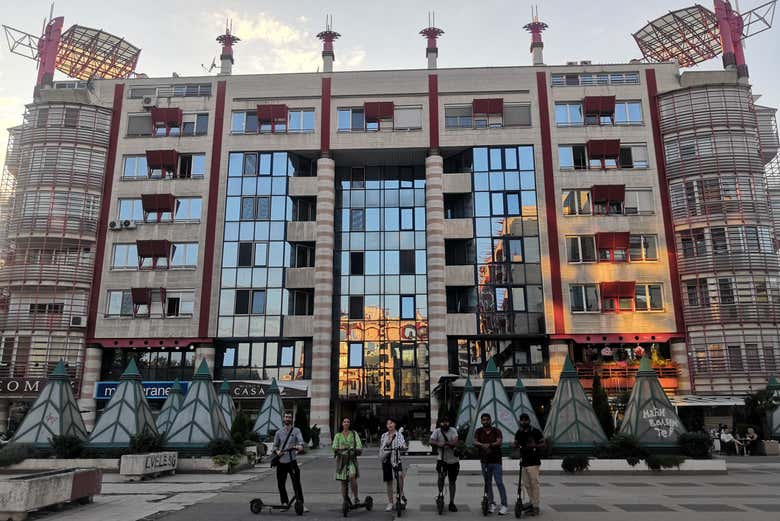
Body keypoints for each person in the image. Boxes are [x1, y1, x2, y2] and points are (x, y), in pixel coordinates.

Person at [473, 413, 508, 515]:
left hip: (496, 461)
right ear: (481, 421)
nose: (485, 421)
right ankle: (491, 503)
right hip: (484, 461)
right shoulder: (478, 431)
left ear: (490, 420)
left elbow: (499, 441)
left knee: (499, 482)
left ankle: (504, 505)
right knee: (487, 484)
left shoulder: (496, 431)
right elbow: (475, 442)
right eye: (483, 420)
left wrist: (490, 445)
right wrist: (483, 445)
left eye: (487, 420)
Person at [273, 411, 307, 510]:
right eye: (286, 417)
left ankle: (300, 504)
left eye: (289, 417)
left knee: (296, 483)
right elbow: (275, 446)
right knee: (281, 484)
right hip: (281, 462)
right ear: (283, 419)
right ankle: (284, 503)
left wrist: (300, 446)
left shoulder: (296, 431)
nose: (288, 419)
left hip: (292, 461)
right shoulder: (278, 432)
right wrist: (277, 451)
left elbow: (301, 441)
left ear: (292, 419)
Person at [513, 413, 545, 516]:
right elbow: (516, 443)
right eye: (522, 420)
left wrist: (535, 445)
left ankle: (536, 506)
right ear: (520, 421)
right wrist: (514, 445)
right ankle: (532, 502)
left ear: (529, 421)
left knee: (534, 484)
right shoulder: (519, 432)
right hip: (523, 462)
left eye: (526, 420)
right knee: (527, 484)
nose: (524, 422)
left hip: (534, 462)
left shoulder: (535, 432)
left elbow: (543, 444)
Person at [430, 415, 460, 512]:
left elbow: (455, 441)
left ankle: (452, 502)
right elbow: (431, 440)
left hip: (453, 460)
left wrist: (446, 444)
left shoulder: (453, 430)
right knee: (440, 477)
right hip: (441, 459)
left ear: (449, 423)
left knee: (452, 481)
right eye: (443, 422)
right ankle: (440, 494)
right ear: (440, 423)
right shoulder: (437, 431)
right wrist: (439, 444)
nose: (445, 424)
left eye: (446, 422)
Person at [333, 417, 363, 505]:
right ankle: (345, 500)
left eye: (348, 422)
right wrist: (338, 449)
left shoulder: (354, 434)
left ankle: (355, 497)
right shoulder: (338, 435)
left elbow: (359, 445)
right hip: (341, 461)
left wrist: (356, 449)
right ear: (342, 424)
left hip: (351, 459)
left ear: (350, 424)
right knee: (343, 481)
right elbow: (334, 446)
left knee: (352, 476)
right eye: (344, 422)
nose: (346, 423)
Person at [379, 417, 407, 512]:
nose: (390, 425)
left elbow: (402, 443)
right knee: (389, 481)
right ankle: (390, 502)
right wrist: (389, 440)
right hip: (386, 459)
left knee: (400, 476)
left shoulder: (399, 435)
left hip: (396, 459)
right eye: (388, 424)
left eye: (391, 423)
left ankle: (400, 493)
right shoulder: (384, 435)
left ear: (395, 424)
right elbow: (383, 447)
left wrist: (404, 447)